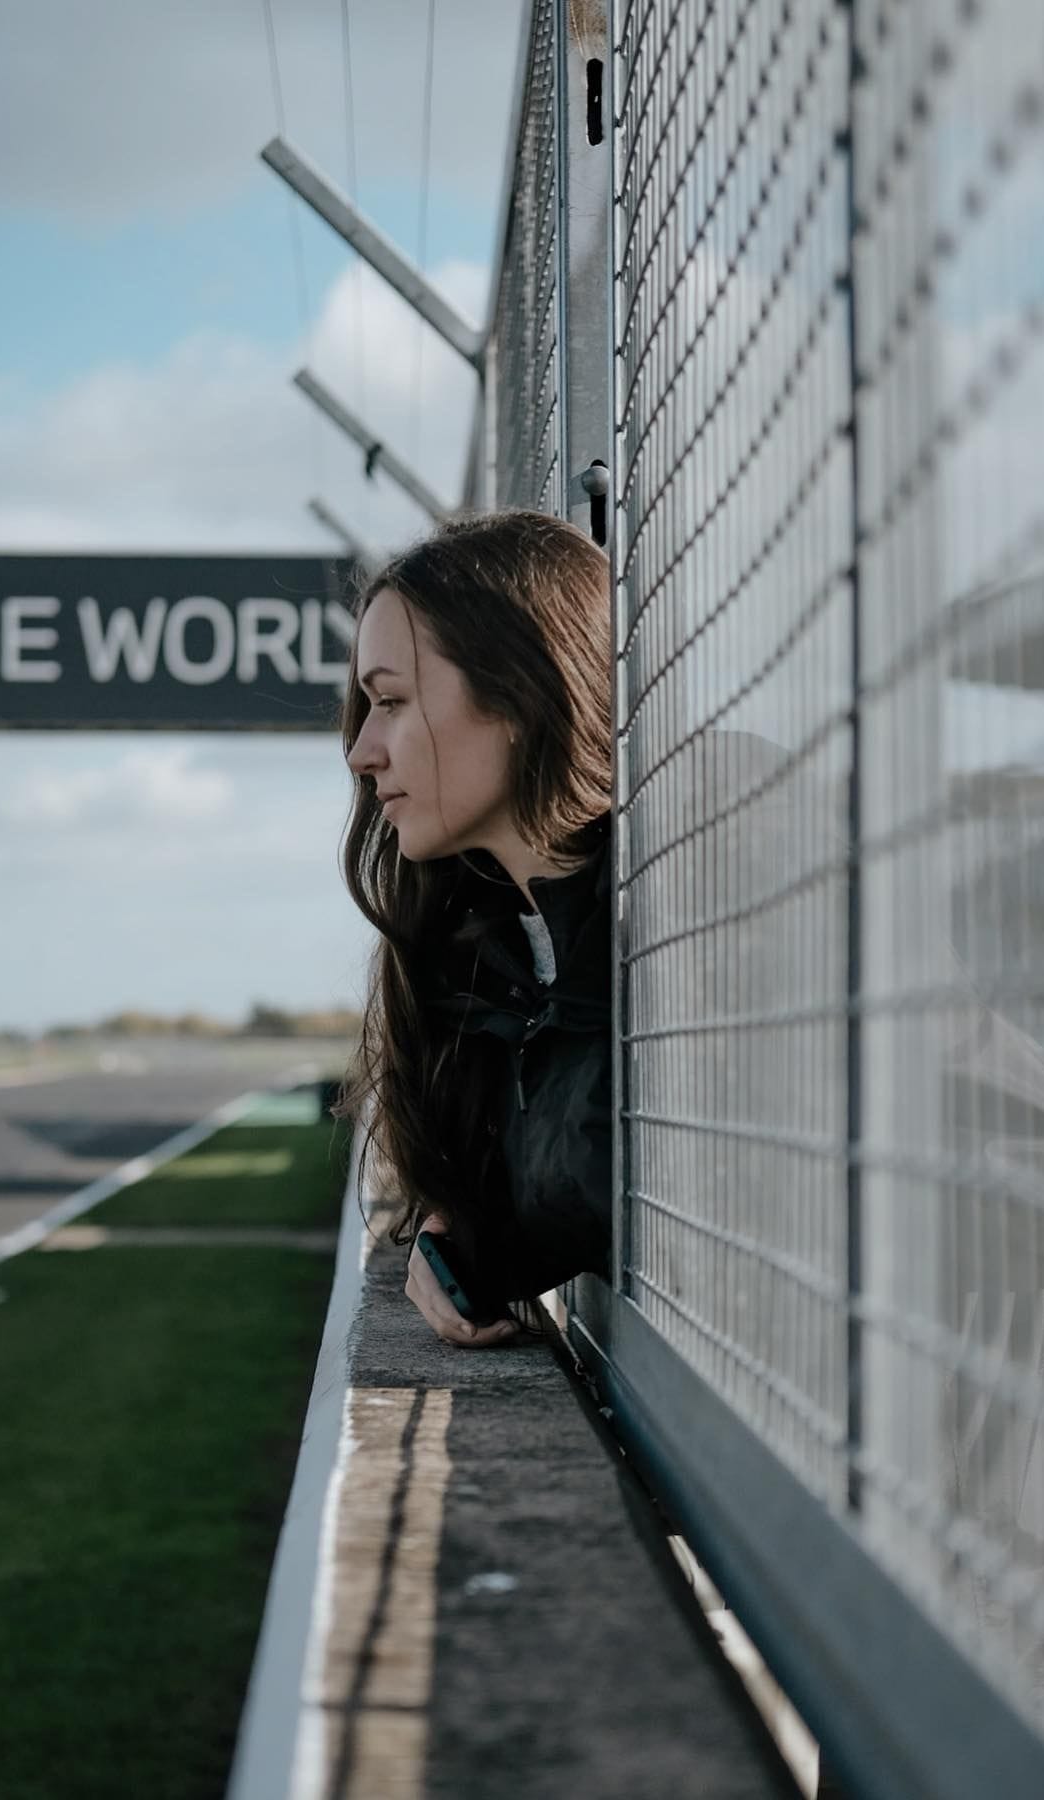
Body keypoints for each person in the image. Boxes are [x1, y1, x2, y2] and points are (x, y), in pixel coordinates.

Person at [335, 508, 615, 1347]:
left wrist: (496, 1242)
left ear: (518, 697)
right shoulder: (492, 952)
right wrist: (458, 1236)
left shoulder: (706, 863)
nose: (362, 751)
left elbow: (626, 1153)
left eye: (390, 701)